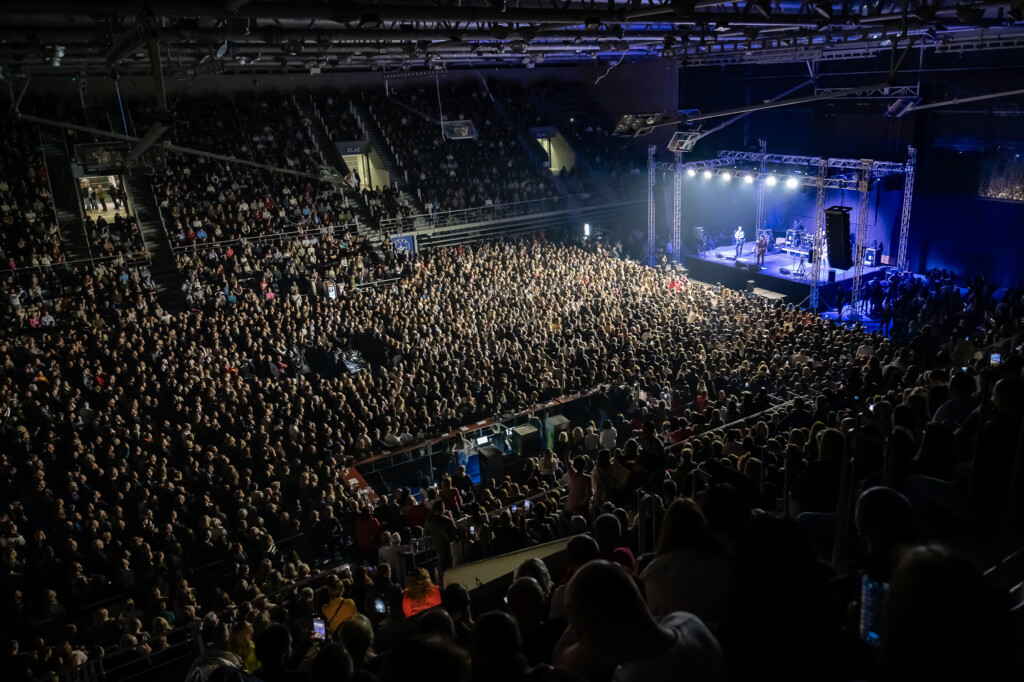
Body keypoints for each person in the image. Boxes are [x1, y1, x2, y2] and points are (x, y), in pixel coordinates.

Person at [554, 560, 726, 682]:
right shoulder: (689, 622)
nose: (582, 642)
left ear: (605, 627)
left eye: (580, 630)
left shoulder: (631, 676)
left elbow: (562, 660)